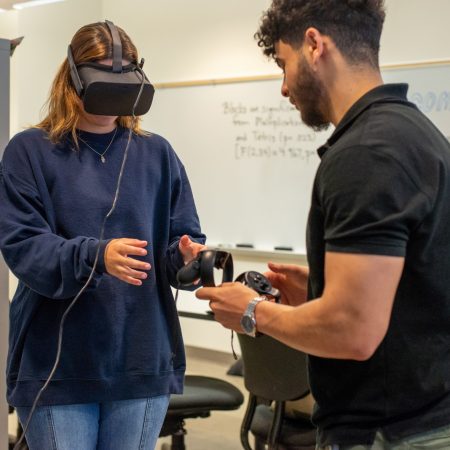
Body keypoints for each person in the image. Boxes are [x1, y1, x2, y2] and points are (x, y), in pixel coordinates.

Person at [196, 1, 450, 448]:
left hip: (386, 434)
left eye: (283, 64)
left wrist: (252, 312)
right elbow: (419, 282)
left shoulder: (365, 153)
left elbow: (352, 331)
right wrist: (321, 288)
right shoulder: (414, 133)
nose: (283, 87)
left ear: (314, 45)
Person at [0, 21, 206, 450]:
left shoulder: (158, 154)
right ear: (73, 78)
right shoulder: (30, 151)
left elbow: (176, 245)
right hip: (57, 366)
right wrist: (97, 255)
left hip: (140, 361)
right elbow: (25, 249)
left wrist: (186, 259)